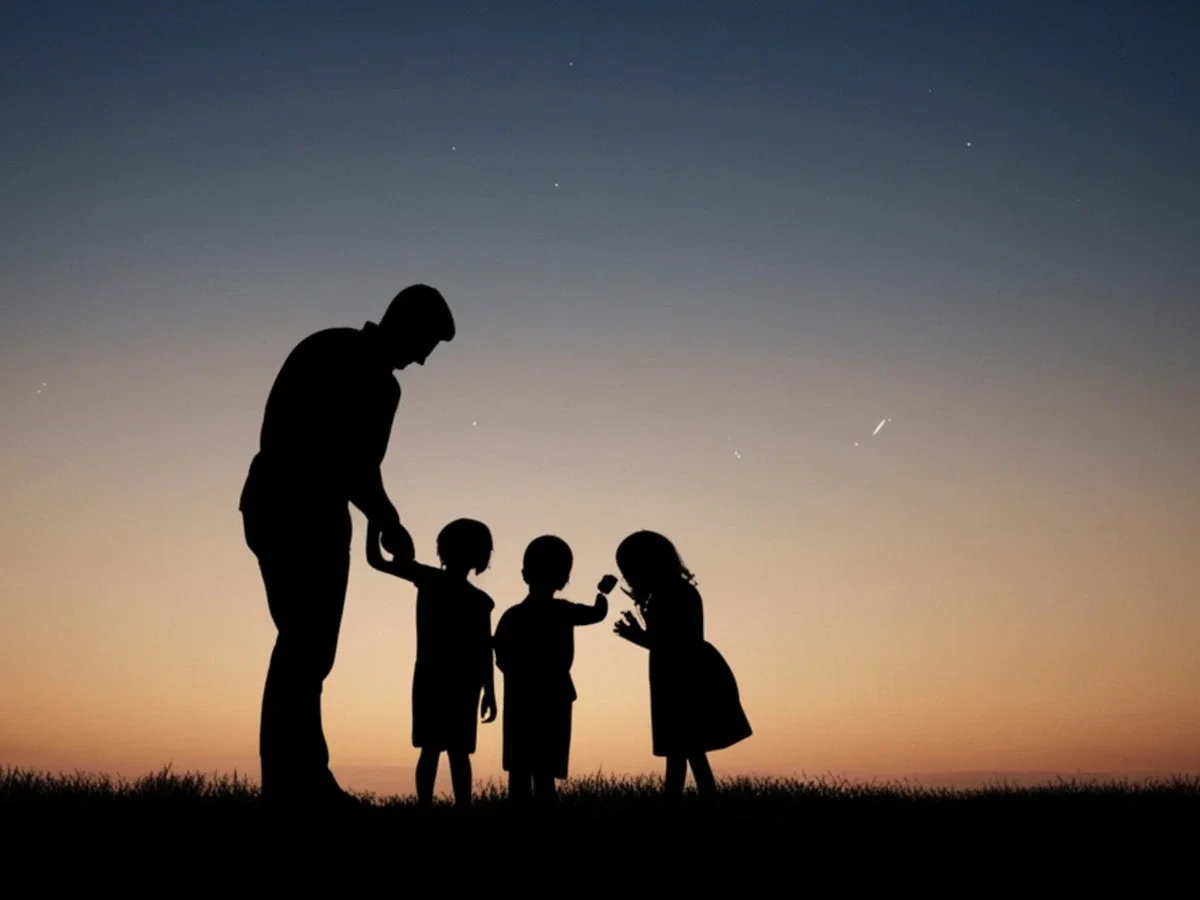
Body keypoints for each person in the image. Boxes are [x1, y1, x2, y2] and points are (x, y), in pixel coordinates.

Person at [239, 284, 455, 809]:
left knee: (306, 649)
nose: (423, 361)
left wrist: (385, 515)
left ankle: (298, 780)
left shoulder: (357, 369)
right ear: (405, 324)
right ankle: (295, 784)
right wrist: (384, 516)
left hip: (299, 510)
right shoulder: (342, 360)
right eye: (425, 343)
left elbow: (360, 466)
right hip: (295, 510)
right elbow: (337, 456)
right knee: (303, 647)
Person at [366, 518, 497, 808]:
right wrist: (377, 521)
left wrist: (490, 691)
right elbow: (376, 560)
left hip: (446, 677)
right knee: (442, 749)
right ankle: (448, 808)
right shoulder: (454, 590)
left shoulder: (470, 597)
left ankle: (445, 808)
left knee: (443, 750)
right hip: (445, 677)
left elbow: (484, 649)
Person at [612, 530, 752, 800]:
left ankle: (683, 805)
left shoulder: (672, 594)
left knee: (685, 748)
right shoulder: (673, 592)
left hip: (685, 677)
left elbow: (672, 642)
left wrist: (637, 636)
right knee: (685, 749)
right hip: (678, 674)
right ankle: (684, 803)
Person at [492, 536, 608, 804]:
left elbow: (500, 655)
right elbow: (597, 613)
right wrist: (602, 593)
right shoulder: (563, 611)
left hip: (520, 697)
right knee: (544, 769)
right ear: (564, 578)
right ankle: (546, 822)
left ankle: (520, 820)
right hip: (554, 695)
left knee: (519, 769)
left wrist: (516, 671)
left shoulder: (512, 615)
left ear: (525, 574)